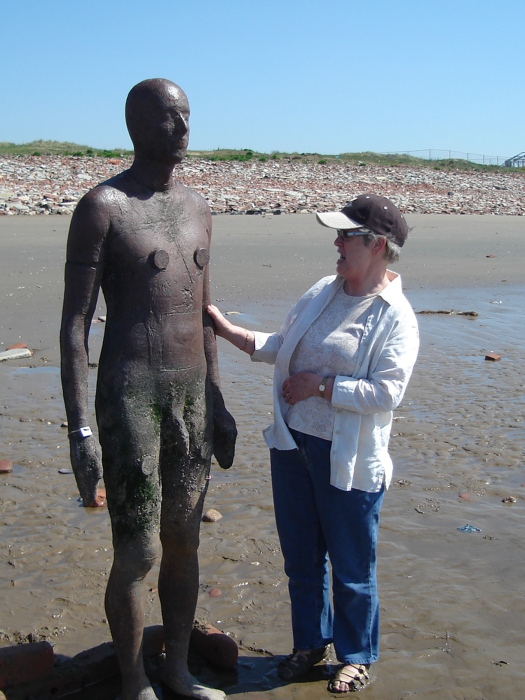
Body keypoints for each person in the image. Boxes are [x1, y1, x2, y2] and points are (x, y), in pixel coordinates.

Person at [60, 78, 236, 700]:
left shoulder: (199, 208)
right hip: (130, 396)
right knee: (137, 550)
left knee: (185, 539)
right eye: (170, 118)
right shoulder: (103, 207)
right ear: (138, 126)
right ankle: (134, 681)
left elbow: (205, 311)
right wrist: (80, 429)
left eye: (188, 116)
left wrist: (217, 399)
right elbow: (75, 326)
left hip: (188, 395)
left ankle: (178, 669)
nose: (184, 129)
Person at [207, 194, 419, 694]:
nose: (337, 242)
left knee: (351, 567)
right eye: (338, 233)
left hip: (346, 460)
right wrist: (230, 332)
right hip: (292, 447)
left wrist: (320, 387)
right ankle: (309, 645)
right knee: (301, 559)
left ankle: (357, 656)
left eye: (347, 235)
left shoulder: (395, 316)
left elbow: (388, 392)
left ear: (378, 246)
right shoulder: (325, 289)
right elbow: (286, 343)